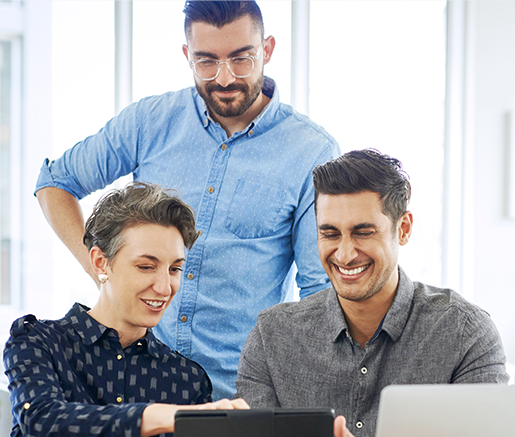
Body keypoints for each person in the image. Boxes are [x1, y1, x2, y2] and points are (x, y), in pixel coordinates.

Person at [34, 1, 339, 400]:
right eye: (206, 61)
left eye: (241, 59)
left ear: (267, 50)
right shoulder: (150, 121)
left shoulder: (311, 151)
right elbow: (55, 182)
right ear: (186, 56)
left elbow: (317, 292)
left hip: (234, 396)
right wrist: (105, 274)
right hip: (130, 385)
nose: (225, 78)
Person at [215, 149, 506, 437]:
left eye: (363, 232)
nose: (345, 253)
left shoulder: (466, 332)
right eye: (330, 234)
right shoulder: (272, 336)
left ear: (403, 229)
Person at [0, 182, 247, 437]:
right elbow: (45, 425)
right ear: (100, 262)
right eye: (146, 266)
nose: (165, 287)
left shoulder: (187, 380)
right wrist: (160, 416)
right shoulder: (37, 342)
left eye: (175, 268)